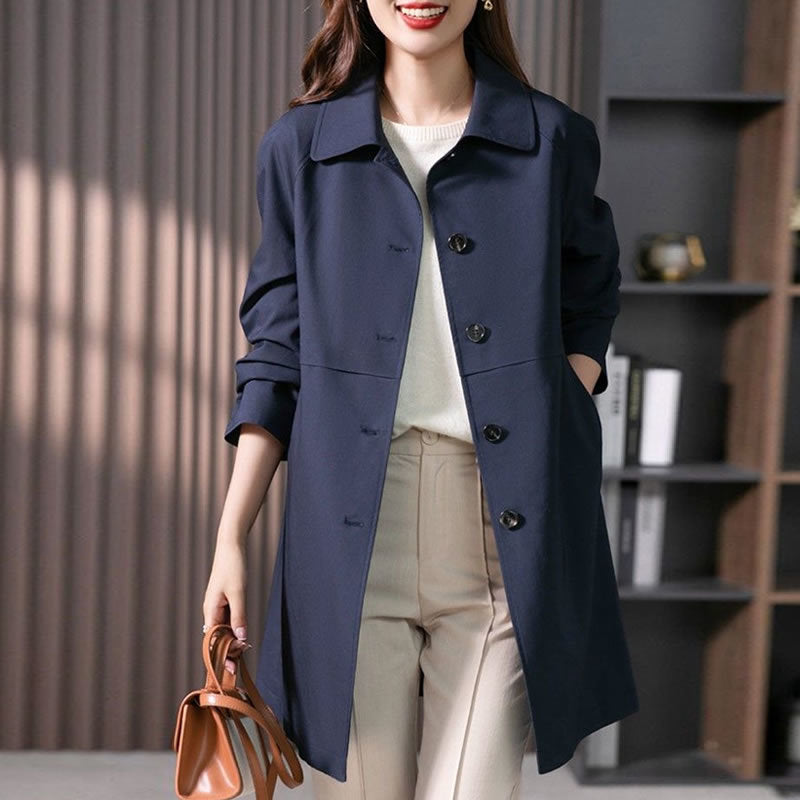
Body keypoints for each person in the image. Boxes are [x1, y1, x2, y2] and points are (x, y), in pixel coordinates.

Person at [202, 0, 639, 798]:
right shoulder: (302, 147)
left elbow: (590, 298)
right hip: (351, 533)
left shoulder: (552, 139)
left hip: (502, 531)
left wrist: (554, 407)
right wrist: (232, 536)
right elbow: (275, 356)